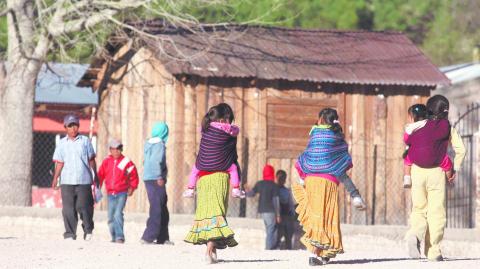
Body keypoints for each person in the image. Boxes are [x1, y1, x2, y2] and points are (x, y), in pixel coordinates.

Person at [406, 95, 466, 261]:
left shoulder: (419, 125)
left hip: (417, 171)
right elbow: (461, 150)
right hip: (437, 173)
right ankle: (433, 251)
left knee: (419, 208)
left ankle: (414, 235)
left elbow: (409, 143)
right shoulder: (448, 127)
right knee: (436, 212)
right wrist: (455, 169)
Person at [294, 108, 350, 266]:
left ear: (319, 120)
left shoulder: (314, 135)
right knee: (328, 215)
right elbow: (343, 158)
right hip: (329, 181)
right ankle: (317, 254)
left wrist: (303, 175)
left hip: (312, 180)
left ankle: (319, 253)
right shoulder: (338, 137)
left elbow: (307, 156)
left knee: (316, 215)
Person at [184, 103, 239, 264]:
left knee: (207, 213)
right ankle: (209, 251)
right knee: (217, 214)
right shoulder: (229, 133)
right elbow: (232, 154)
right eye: (229, 119)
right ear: (223, 118)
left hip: (203, 179)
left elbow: (201, 159)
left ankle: (212, 251)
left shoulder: (205, 131)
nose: (230, 122)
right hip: (219, 178)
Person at [183, 103, 244, 199]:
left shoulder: (205, 128)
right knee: (233, 168)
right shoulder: (228, 129)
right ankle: (236, 189)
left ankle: (190, 189)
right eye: (229, 120)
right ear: (222, 120)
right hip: (222, 164)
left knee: (195, 169)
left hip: (203, 164)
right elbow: (235, 131)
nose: (230, 123)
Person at [51, 114, 98, 241]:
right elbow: (60, 162)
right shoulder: (62, 144)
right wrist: (56, 178)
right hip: (67, 181)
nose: (73, 128)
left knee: (84, 206)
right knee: (68, 209)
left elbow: (91, 160)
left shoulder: (85, 141)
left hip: (84, 180)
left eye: (75, 125)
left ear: (78, 126)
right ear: (65, 127)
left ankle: (88, 229)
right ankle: (70, 234)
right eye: (70, 126)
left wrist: (95, 175)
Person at [97, 139, 139, 243]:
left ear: (121, 149)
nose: (116, 151)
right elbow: (101, 175)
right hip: (111, 194)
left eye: (119, 149)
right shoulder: (106, 162)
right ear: (110, 150)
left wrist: (132, 187)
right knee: (111, 217)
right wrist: (97, 186)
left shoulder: (126, 162)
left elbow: (133, 175)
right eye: (114, 149)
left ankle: (120, 236)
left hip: (122, 192)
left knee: (117, 213)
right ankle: (114, 236)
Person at [403, 104, 453, 188]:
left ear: (411, 118)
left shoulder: (410, 128)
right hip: (435, 158)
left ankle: (407, 177)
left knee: (407, 158)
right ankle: (449, 179)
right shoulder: (430, 125)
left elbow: (406, 140)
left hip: (416, 158)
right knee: (447, 163)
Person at [141, 122, 172, 245]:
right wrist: (159, 176)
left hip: (149, 178)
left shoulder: (148, 144)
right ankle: (148, 236)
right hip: (156, 179)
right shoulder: (159, 145)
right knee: (157, 208)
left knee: (162, 208)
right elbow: (156, 161)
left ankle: (163, 237)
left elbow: (145, 161)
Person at [246, 164, 280, 250]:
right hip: (271, 211)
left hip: (262, 210)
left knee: (270, 228)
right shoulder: (274, 185)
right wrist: (278, 215)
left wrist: (245, 192)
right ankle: (269, 248)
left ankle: (273, 246)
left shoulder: (259, 184)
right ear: (272, 173)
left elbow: (251, 194)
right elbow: (276, 201)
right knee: (271, 229)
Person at [276, 170, 296, 250]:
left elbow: (290, 203)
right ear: (276, 178)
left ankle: (289, 249)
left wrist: (293, 214)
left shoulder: (286, 191)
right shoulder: (273, 189)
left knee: (288, 234)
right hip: (277, 216)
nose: (282, 180)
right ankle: (275, 248)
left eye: (283, 178)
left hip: (286, 215)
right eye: (280, 178)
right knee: (277, 235)